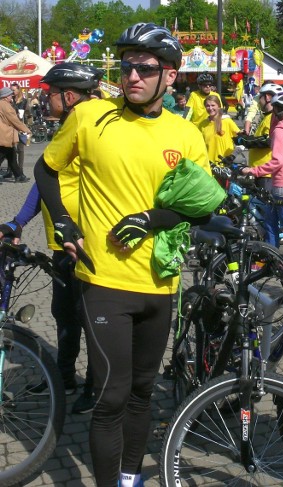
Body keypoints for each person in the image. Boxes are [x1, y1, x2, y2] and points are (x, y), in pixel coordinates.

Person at [33, 23, 220, 487]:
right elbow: (44, 167)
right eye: (127, 65)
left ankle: (130, 478)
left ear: (170, 76)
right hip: (104, 279)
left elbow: (200, 207)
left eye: (145, 67)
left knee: (142, 395)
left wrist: (153, 219)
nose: (132, 75)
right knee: (111, 396)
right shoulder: (90, 116)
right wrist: (63, 222)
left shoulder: (187, 134)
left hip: (161, 282)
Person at [1, 63, 106, 414]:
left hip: (88, 243)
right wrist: (17, 223)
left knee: (91, 318)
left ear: (69, 95)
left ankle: (96, 385)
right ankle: (63, 376)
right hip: (63, 243)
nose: (46, 99)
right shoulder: (67, 128)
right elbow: (45, 183)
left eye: (50, 93)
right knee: (63, 312)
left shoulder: (93, 127)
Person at [241, 92, 283, 263]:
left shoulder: (280, 130)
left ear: (276, 110)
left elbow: (277, 160)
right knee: (270, 219)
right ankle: (272, 255)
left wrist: (253, 170)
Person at [0, 87, 30, 183]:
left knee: (11, 155)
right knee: (3, 154)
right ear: (5, 96)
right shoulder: (5, 105)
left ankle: (19, 175)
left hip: (5, 133)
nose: (11, 96)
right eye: (9, 95)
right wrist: (26, 129)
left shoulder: (2, 104)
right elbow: (14, 120)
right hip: (5, 133)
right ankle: (19, 176)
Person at [199, 94, 239, 165]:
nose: (210, 108)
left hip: (225, 165)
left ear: (219, 106)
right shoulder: (202, 124)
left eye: (213, 105)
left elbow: (242, 141)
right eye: (208, 106)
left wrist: (233, 156)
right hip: (209, 166)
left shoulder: (227, 121)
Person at [11, 83, 28, 172]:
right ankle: (11, 170)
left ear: (18, 90)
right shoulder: (10, 100)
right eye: (11, 90)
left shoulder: (24, 101)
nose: (12, 92)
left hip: (21, 125)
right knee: (11, 148)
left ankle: (20, 170)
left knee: (20, 149)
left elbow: (25, 113)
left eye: (13, 90)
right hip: (11, 126)